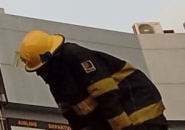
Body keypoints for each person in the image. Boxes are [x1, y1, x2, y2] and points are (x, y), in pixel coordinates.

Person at [19, 30, 168, 130]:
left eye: (40, 69)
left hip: (140, 111)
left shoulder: (76, 56)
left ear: (50, 59)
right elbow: (73, 116)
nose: (39, 74)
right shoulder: (56, 79)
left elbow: (107, 96)